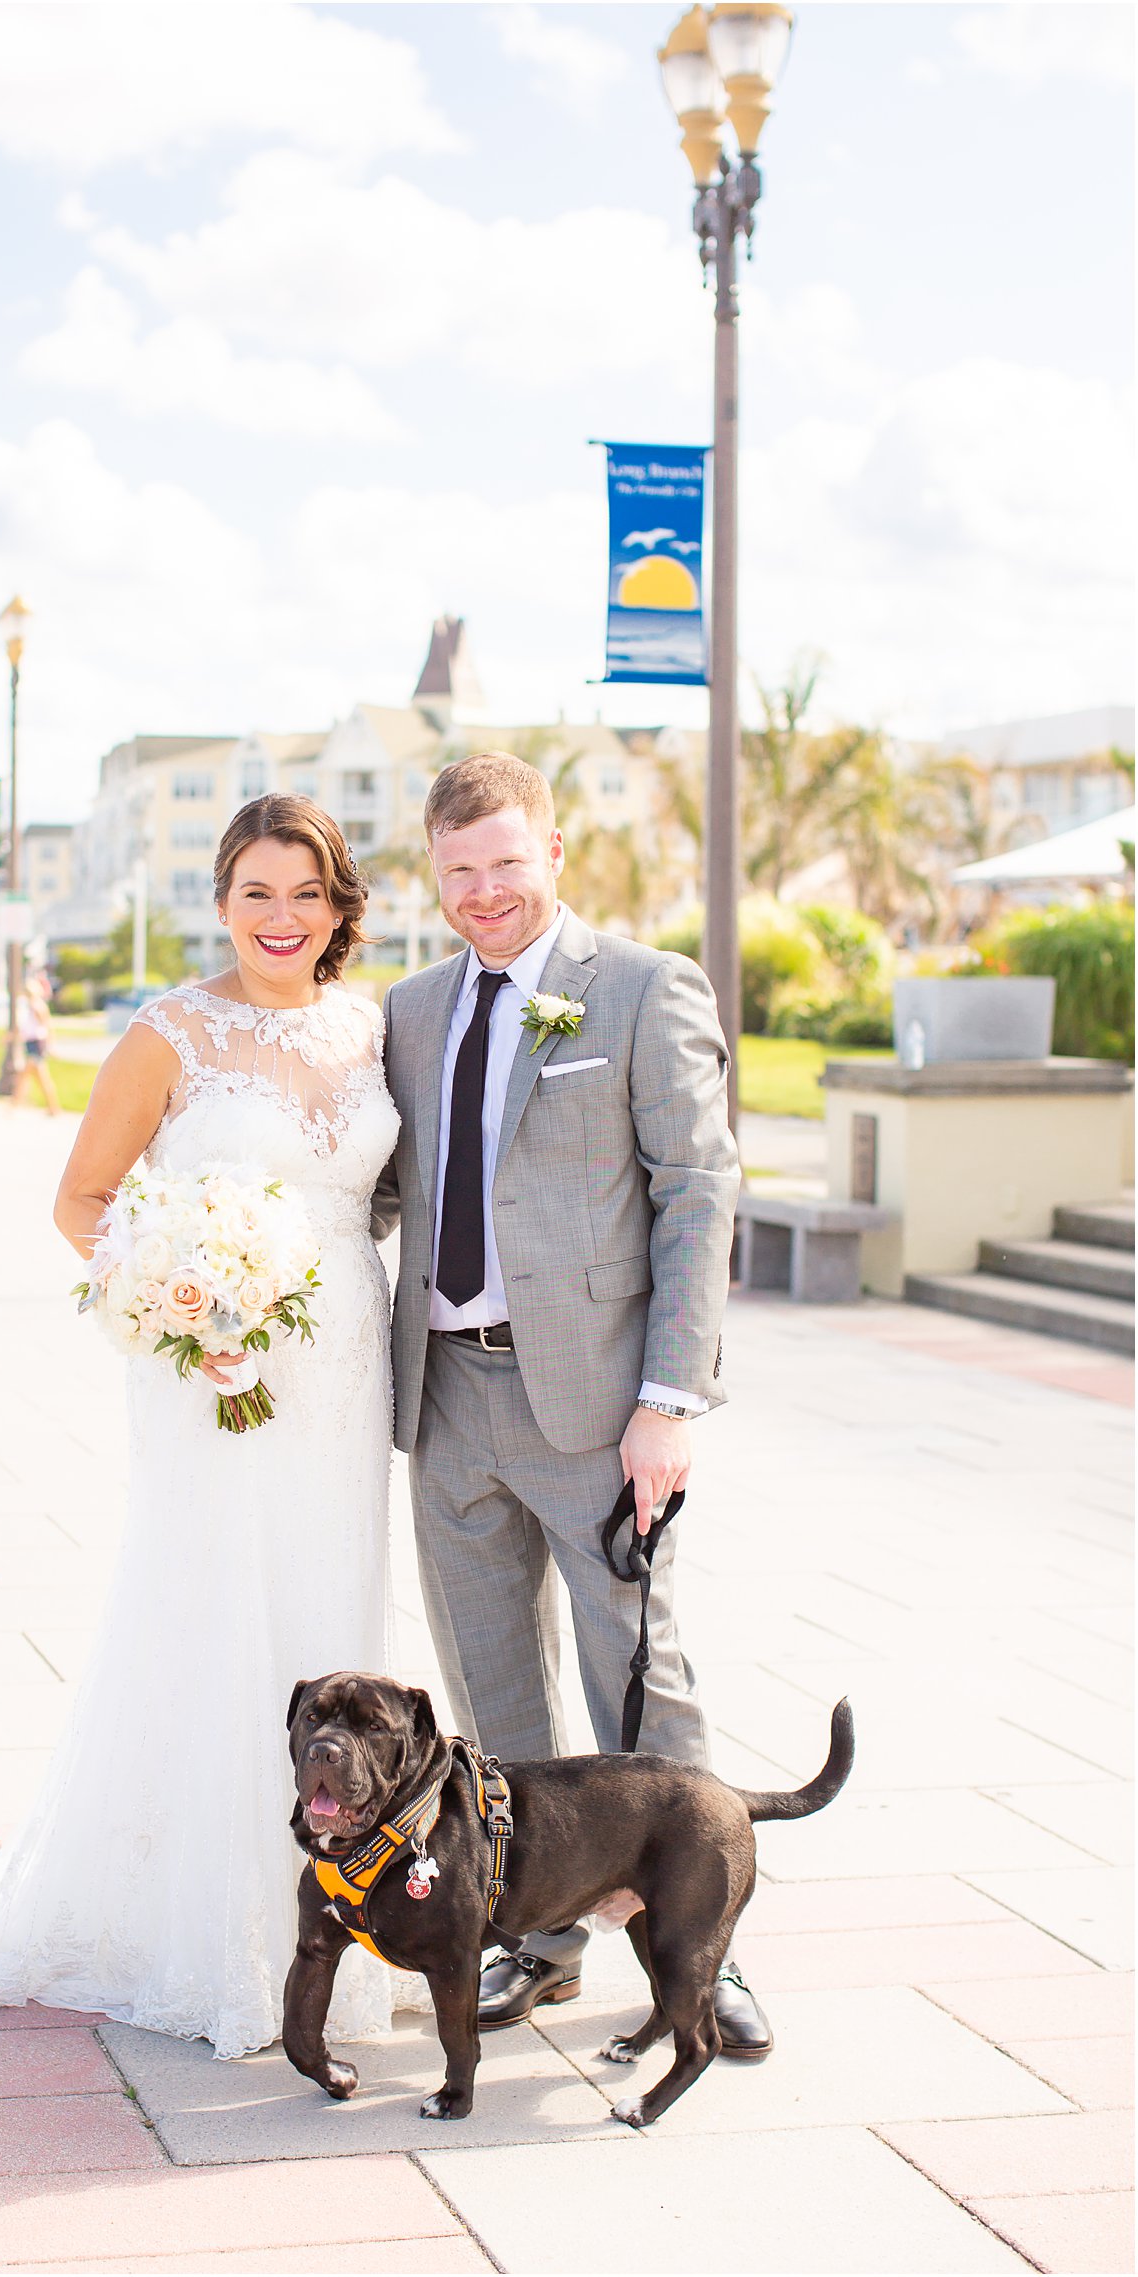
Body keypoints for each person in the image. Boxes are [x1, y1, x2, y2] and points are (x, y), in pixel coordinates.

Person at [0, 795, 407, 2058]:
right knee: (218, 1619)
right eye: (255, 892)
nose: (280, 917)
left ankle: (337, 1913)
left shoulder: (370, 1029)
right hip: (214, 1371)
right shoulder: (170, 1034)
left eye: (304, 893)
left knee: (328, 1612)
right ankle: (208, 1930)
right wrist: (178, 1297)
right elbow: (82, 1200)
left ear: (338, 905)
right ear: (219, 901)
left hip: (343, 1370)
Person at [372, 750, 771, 2056]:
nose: (483, 892)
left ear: (555, 852)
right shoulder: (413, 1008)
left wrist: (669, 1400)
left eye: (505, 862)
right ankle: (535, 1943)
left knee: (644, 1694)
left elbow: (698, 1194)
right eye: (458, 871)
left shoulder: (644, 991)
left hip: (600, 1409)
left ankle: (699, 1954)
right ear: (434, 874)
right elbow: (381, 1187)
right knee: (491, 1703)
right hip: (444, 1399)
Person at [15, 975, 60, 1115]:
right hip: (31, 1043)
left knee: (34, 1077)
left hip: (36, 1044)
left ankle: (16, 1104)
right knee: (29, 1076)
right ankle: (18, 1103)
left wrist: (50, 1046)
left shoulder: (37, 1006)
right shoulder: (31, 1006)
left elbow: (47, 1027)